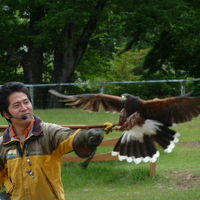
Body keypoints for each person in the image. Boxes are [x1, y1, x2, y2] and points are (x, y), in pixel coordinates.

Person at [0, 82, 106, 200]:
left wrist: (84, 137)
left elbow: (70, 138)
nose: (24, 108)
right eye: (16, 105)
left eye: (26, 102)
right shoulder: (2, 145)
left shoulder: (49, 132)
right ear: (6, 114)